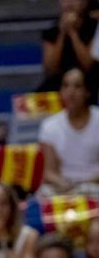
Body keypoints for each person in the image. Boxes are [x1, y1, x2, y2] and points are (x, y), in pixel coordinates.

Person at [38, 68, 99, 196]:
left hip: (94, 185)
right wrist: (65, 185)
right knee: (43, 193)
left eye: (77, 86)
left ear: (87, 92)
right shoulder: (49, 126)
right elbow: (49, 171)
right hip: (64, 186)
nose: (70, 92)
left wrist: (83, 185)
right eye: (66, 86)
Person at [39, 0, 95, 93]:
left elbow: (89, 65)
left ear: (84, 1)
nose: (69, 3)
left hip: (88, 84)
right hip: (58, 84)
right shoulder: (51, 31)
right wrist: (63, 33)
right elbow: (50, 70)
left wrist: (73, 33)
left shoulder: (94, 27)